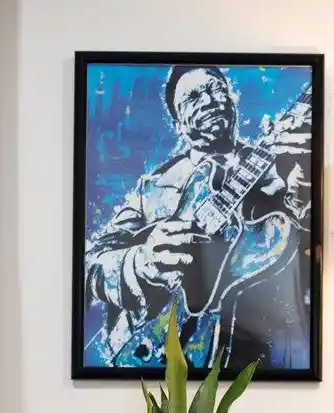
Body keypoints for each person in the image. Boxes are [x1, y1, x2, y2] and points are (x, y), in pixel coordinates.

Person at [85, 65, 314, 370]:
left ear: (232, 100)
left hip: (266, 355)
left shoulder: (280, 169)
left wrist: (302, 182)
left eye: (216, 89)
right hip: (154, 346)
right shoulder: (152, 187)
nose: (209, 100)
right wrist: (140, 263)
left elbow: (309, 249)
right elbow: (91, 265)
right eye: (193, 97)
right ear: (178, 124)